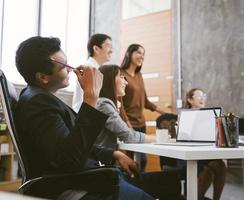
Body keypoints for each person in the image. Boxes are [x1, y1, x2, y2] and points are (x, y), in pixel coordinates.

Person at [14, 36, 157, 200]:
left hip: (88, 177)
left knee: (166, 182)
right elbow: (69, 159)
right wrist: (90, 97)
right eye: (64, 66)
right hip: (76, 185)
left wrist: (114, 154)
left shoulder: (41, 98)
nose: (70, 69)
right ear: (43, 77)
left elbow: (71, 144)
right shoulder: (38, 103)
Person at [120, 44, 165, 170]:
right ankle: (132, 186)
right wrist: (126, 122)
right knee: (132, 159)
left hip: (141, 123)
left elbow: (144, 100)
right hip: (129, 124)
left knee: (142, 160)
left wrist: (161, 111)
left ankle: (139, 186)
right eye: (139, 52)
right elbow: (119, 103)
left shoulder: (139, 75)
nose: (142, 56)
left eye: (143, 54)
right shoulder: (120, 74)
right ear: (129, 54)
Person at [95, 64, 156, 149]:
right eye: (121, 77)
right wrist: (158, 138)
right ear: (109, 80)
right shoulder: (103, 105)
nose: (126, 82)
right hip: (101, 161)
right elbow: (129, 136)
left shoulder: (105, 104)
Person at [185, 88, 226, 200]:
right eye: (199, 96)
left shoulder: (209, 116)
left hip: (203, 152)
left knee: (221, 164)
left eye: (204, 95)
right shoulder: (185, 117)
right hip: (187, 154)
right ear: (190, 100)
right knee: (212, 167)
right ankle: (196, 197)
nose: (202, 98)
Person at [72, 33, 112, 113]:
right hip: (85, 115)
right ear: (96, 49)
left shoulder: (97, 69)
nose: (111, 50)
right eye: (108, 46)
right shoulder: (88, 68)